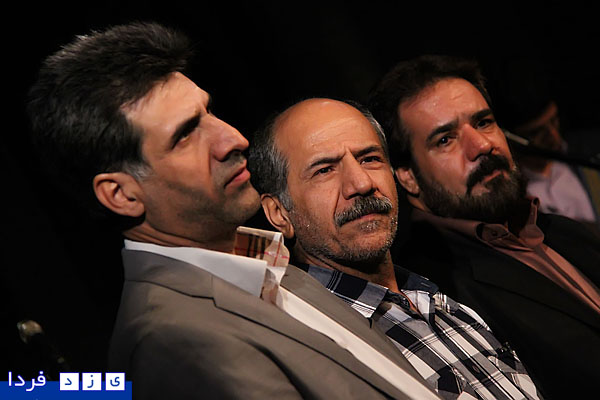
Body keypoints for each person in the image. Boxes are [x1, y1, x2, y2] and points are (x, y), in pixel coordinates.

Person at [26, 22, 440, 400]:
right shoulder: (173, 340)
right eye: (185, 135)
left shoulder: (267, 264)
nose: (234, 139)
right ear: (120, 194)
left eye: (209, 112)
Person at [248, 97, 542, 400]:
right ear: (279, 214)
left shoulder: (446, 304)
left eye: (369, 159)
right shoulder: (311, 343)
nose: (361, 183)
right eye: (324, 170)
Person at [367, 54, 600, 399]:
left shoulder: (560, 229)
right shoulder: (433, 291)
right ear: (408, 177)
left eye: (484, 122)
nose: (482, 145)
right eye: (445, 139)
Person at [490, 56, 600, 230]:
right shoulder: (508, 192)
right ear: (512, 139)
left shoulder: (589, 154)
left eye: (554, 121)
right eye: (536, 132)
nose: (553, 135)